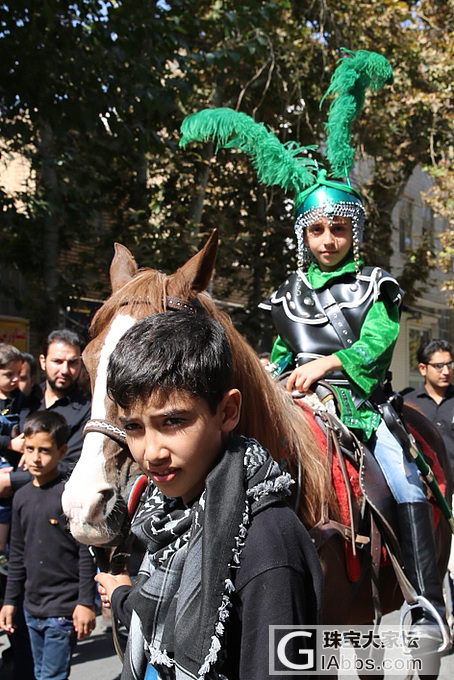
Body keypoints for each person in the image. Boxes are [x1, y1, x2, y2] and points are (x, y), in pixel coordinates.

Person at [178, 49, 450, 652]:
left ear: (353, 230)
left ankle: (428, 605)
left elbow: (380, 339)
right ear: (302, 236)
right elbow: (279, 348)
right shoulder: (287, 292)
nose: (327, 240)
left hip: (361, 405)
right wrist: (275, 376)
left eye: (337, 229)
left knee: (405, 479)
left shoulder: (376, 282)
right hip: (299, 403)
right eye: (316, 230)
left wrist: (330, 363)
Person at [95, 311, 323, 680]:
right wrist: (123, 596)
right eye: (134, 427)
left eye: (173, 421)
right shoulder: (163, 515)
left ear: (228, 411)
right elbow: (165, 612)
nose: (151, 452)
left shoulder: (270, 548)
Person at [0, 410, 96, 680]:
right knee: (38, 673)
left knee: (50, 677)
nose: (35, 457)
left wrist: (85, 603)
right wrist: (9, 602)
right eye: (29, 449)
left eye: (44, 450)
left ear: (62, 450)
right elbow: (17, 555)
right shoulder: (21, 498)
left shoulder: (68, 495)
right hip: (31, 609)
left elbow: (85, 552)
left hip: (62, 610)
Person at [0, 329, 91, 497]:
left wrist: (11, 480)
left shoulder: (87, 411)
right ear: (43, 361)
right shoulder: (23, 399)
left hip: (46, 505)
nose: (65, 370)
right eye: (57, 361)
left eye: (72, 363)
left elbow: (69, 465)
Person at [403, 339, 454, 621]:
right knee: (431, 563)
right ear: (423, 368)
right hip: (426, 497)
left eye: (449, 364)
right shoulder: (407, 403)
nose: (445, 370)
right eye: (439, 365)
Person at [0, 343, 23, 573]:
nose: (15, 380)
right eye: (9, 374)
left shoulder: (16, 399)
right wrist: (10, 443)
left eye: (18, 374)